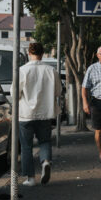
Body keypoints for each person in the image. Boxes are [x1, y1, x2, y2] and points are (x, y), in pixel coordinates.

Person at [17, 42, 62, 186]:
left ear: (29, 54)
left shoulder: (22, 70)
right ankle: (46, 162)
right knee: (45, 141)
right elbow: (58, 91)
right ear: (42, 54)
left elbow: (14, 93)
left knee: (26, 147)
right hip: (45, 113)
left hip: (25, 115)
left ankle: (30, 179)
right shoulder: (51, 70)